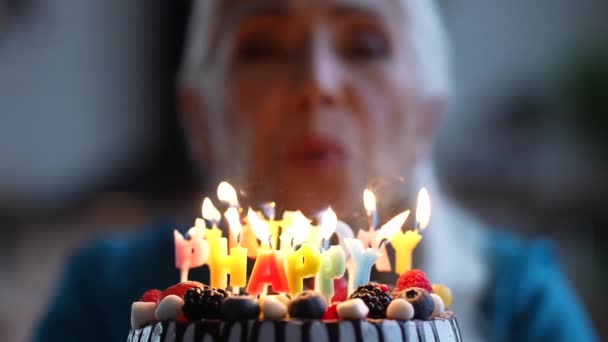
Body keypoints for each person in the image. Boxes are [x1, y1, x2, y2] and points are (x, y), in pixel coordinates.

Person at [34, 0, 597, 341]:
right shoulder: (108, 294)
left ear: (427, 114)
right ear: (197, 115)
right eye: (263, 47)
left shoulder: (516, 297)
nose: (316, 83)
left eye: (365, 44)